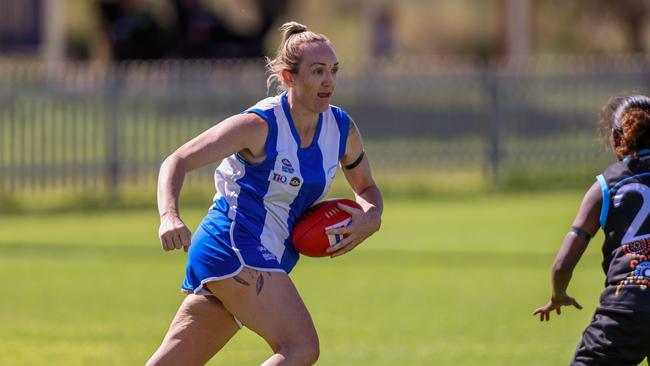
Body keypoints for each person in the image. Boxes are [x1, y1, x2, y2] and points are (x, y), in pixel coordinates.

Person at [147, 21, 383, 366]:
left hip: (263, 256)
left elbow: (367, 188)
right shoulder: (259, 125)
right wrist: (169, 215)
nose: (329, 81)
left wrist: (370, 217)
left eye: (333, 70)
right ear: (289, 78)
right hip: (232, 244)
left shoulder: (341, 129)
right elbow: (178, 159)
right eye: (317, 71)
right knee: (300, 346)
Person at [533, 95, 650, 365]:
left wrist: (558, 294)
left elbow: (562, 264)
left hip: (627, 308)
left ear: (616, 137)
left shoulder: (606, 185)